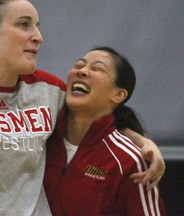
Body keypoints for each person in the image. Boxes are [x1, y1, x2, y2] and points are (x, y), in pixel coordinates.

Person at [0, 0, 164, 215]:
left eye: (37, 26)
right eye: (24, 25)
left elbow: (93, 119)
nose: (38, 36)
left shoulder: (49, 90)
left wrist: (143, 142)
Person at [43, 47, 166, 215]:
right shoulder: (41, 138)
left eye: (97, 69)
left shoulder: (129, 162)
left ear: (118, 95)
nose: (82, 71)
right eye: (79, 66)